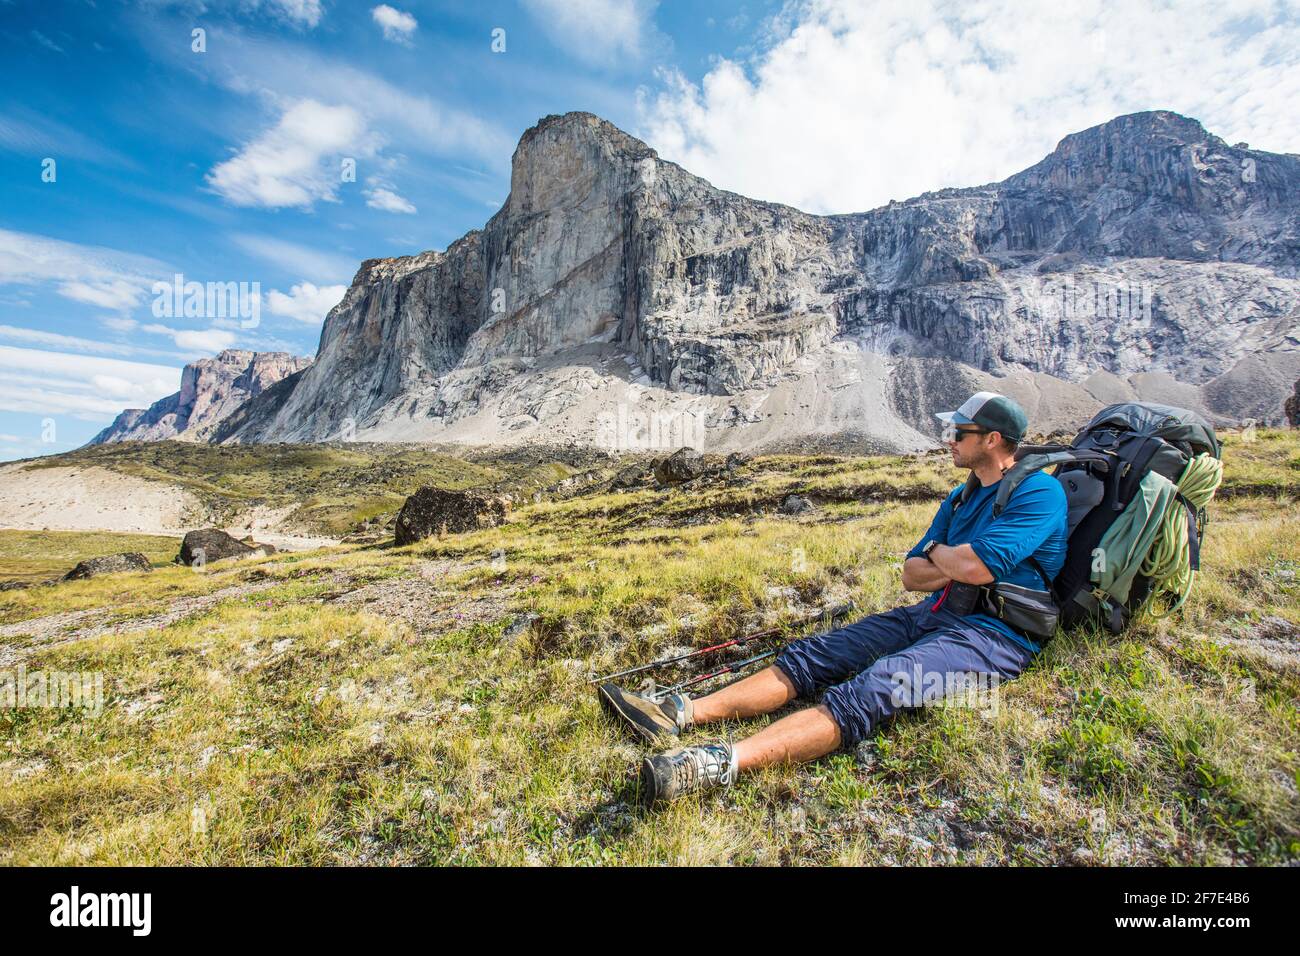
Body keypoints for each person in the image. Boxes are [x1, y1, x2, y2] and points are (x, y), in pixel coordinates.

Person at [599, 392, 1068, 804]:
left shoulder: (1040, 492)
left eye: (958, 432)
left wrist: (942, 556)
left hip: (995, 634)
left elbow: (975, 568)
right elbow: (910, 575)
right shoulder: (961, 497)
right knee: (820, 652)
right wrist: (953, 561)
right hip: (935, 611)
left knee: (882, 682)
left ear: (991, 440)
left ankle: (716, 764)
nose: (949, 439)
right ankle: (679, 711)